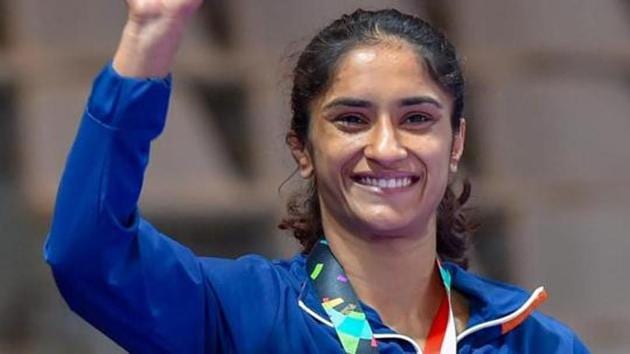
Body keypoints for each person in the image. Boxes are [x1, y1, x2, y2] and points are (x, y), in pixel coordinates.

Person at [44, 0, 590, 353]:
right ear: (302, 149)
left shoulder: (534, 342)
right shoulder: (241, 315)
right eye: (351, 119)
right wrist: (150, 30)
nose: (386, 147)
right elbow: (87, 254)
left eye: (417, 119)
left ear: (457, 144)